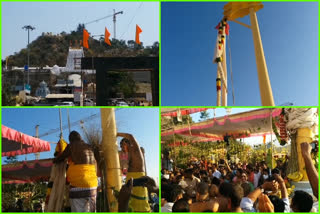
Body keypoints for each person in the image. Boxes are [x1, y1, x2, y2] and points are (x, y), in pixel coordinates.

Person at [54, 131, 98, 212]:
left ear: (71, 139)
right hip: (93, 186)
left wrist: (55, 160)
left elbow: (61, 157)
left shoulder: (71, 146)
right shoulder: (89, 146)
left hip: (78, 185)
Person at [117, 132, 151, 212]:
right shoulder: (123, 156)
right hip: (132, 198)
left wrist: (117, 134)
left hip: (141, 202)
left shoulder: (137, 155)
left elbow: (130, 136)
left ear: (128, 144)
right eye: (120, 146)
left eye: (123, 145)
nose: (122, 147)